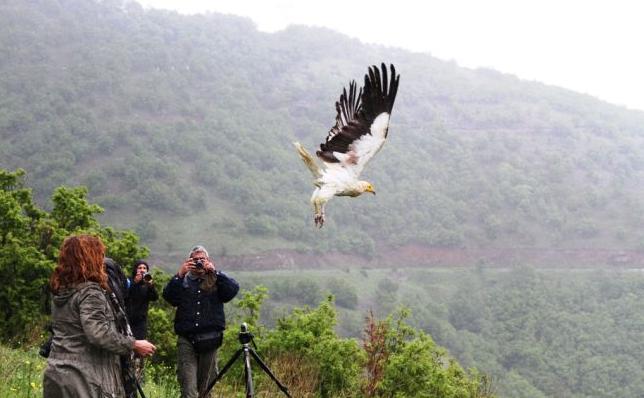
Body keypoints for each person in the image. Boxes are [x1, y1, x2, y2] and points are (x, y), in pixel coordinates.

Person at [43, 234, 156, 398]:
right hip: (83, 377)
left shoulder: (61, 290)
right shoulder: (90, 292)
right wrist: (133, 344)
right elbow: (98, 333)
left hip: (56, 373)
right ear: (90, 258)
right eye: (100, 255)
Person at [163, 245, 240, 398]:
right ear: (189, 261)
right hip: (187, 340)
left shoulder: (216, 279)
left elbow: (231, 291)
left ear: (208, 261)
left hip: (211, 339)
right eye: (195, 259)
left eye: (202, 259)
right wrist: (179, 274)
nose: (198, 262)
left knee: (206, 388)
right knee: (188, 388)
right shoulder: (182, 280)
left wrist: (214, 271)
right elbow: (169, 297)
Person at [126, 260, 158, 340]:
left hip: (140, 321)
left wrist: (151, 286)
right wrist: (135, 282)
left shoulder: (147, 284)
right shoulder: (129, 281)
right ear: (135, 269)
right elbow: (125, 294)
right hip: (127, 318)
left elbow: (154, 297)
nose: (142, 270)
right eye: (139, 268)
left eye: (144, 268)